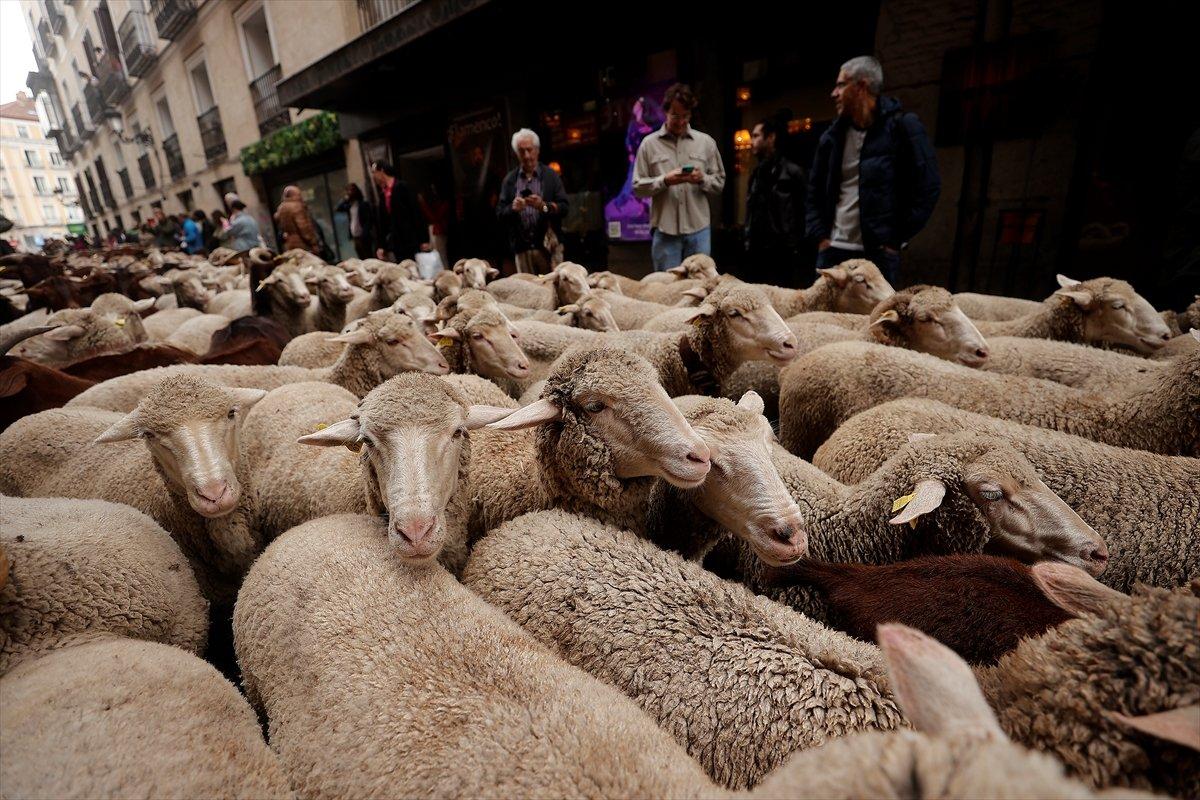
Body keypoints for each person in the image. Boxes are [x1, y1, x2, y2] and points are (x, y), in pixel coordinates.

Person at [806, 56, 940, 284]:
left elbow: (928, 187)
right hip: (833, 250)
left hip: (879, 255)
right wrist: (820, 236)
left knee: (878, 309)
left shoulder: (903, 127)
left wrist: (895, 239)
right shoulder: (832, 137)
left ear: (861, 87)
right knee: (822, 308)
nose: (834, 93)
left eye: (841, 85)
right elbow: (814, 190)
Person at [633, 83, 726, 271]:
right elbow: (637, 187)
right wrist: (665, 180)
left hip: (699, 230)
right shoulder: (649, 145)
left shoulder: (706, 143)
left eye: (686, 116)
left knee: (700, 284)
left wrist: (702, 178)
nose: (681, 121)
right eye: (675, 115)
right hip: (665, 231)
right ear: (665, 112)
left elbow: (719, 182)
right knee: (665, 286)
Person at [744, 113, 808, 286]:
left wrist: (797, 245)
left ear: (771, 137)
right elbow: (751, 211)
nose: (752, 142)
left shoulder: (793, 172)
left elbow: (804, 210)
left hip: (784, 252)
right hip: (758, 252)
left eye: (756, 136)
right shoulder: (756, 175)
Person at [496, 128, 570, 274]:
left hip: (549, 247)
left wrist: (543, 206)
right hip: (522, 249)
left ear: (537, 150)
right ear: (516, 153)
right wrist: (513, 208)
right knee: (527, 287)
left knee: (552, 286)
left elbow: (564, 208)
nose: (526, 155)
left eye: (529, 150)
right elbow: (500, 213)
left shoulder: (551, 176)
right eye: (521, 151)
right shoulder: (509, 180)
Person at [370, 160, 427, 261]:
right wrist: (381, 245)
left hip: (411, 240)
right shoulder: (383, 194)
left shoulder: (402, 187)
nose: (374, 176)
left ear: (382, 171)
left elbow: (416, 213)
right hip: (397, 243)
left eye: (375, 173)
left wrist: (424, 239)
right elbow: (383, 223)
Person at [274, 186, 321, 254]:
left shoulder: (281, 208)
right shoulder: (297, 206)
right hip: (302, 243)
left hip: (288, 243)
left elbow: (277, 219)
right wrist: (313, 242)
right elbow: (304, 227)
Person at [336, 183, 374, 259]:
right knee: (361, 258)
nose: (349, 193)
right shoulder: (349, 206)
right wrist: (345, 199)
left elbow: (368, 220)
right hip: (355, 237)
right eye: (348, 191)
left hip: (363, 236)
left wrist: (365, 233)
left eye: (351, 190)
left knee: (368, 258)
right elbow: (338, 208)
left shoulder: (363, 204)